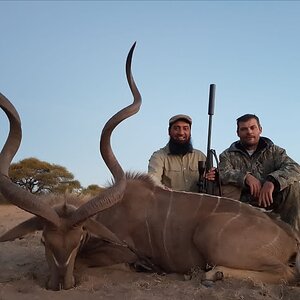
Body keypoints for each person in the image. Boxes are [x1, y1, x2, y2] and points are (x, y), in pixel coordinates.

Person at [219, 113, 300, 230]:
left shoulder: (274, 151)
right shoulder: (227, 155)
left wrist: (272, 181)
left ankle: (294, 235)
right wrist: (245, 177)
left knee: (295, 187)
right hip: (243, 203)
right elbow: (222, 173)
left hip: (271, 199)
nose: (249, 132)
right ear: (238, 133)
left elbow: (294, 168)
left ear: (260, 129)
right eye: (244, 129)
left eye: (252, 128)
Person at [148, 114, 215, 192]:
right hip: (171, 202)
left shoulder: (200, 156)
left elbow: (210, 183)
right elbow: (153, 181)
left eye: (185, 128)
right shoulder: (159, 156)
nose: (181, 133)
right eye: (176, 128)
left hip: (196, 202)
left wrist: (212, 177)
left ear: (190, 132)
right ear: (169, 131)